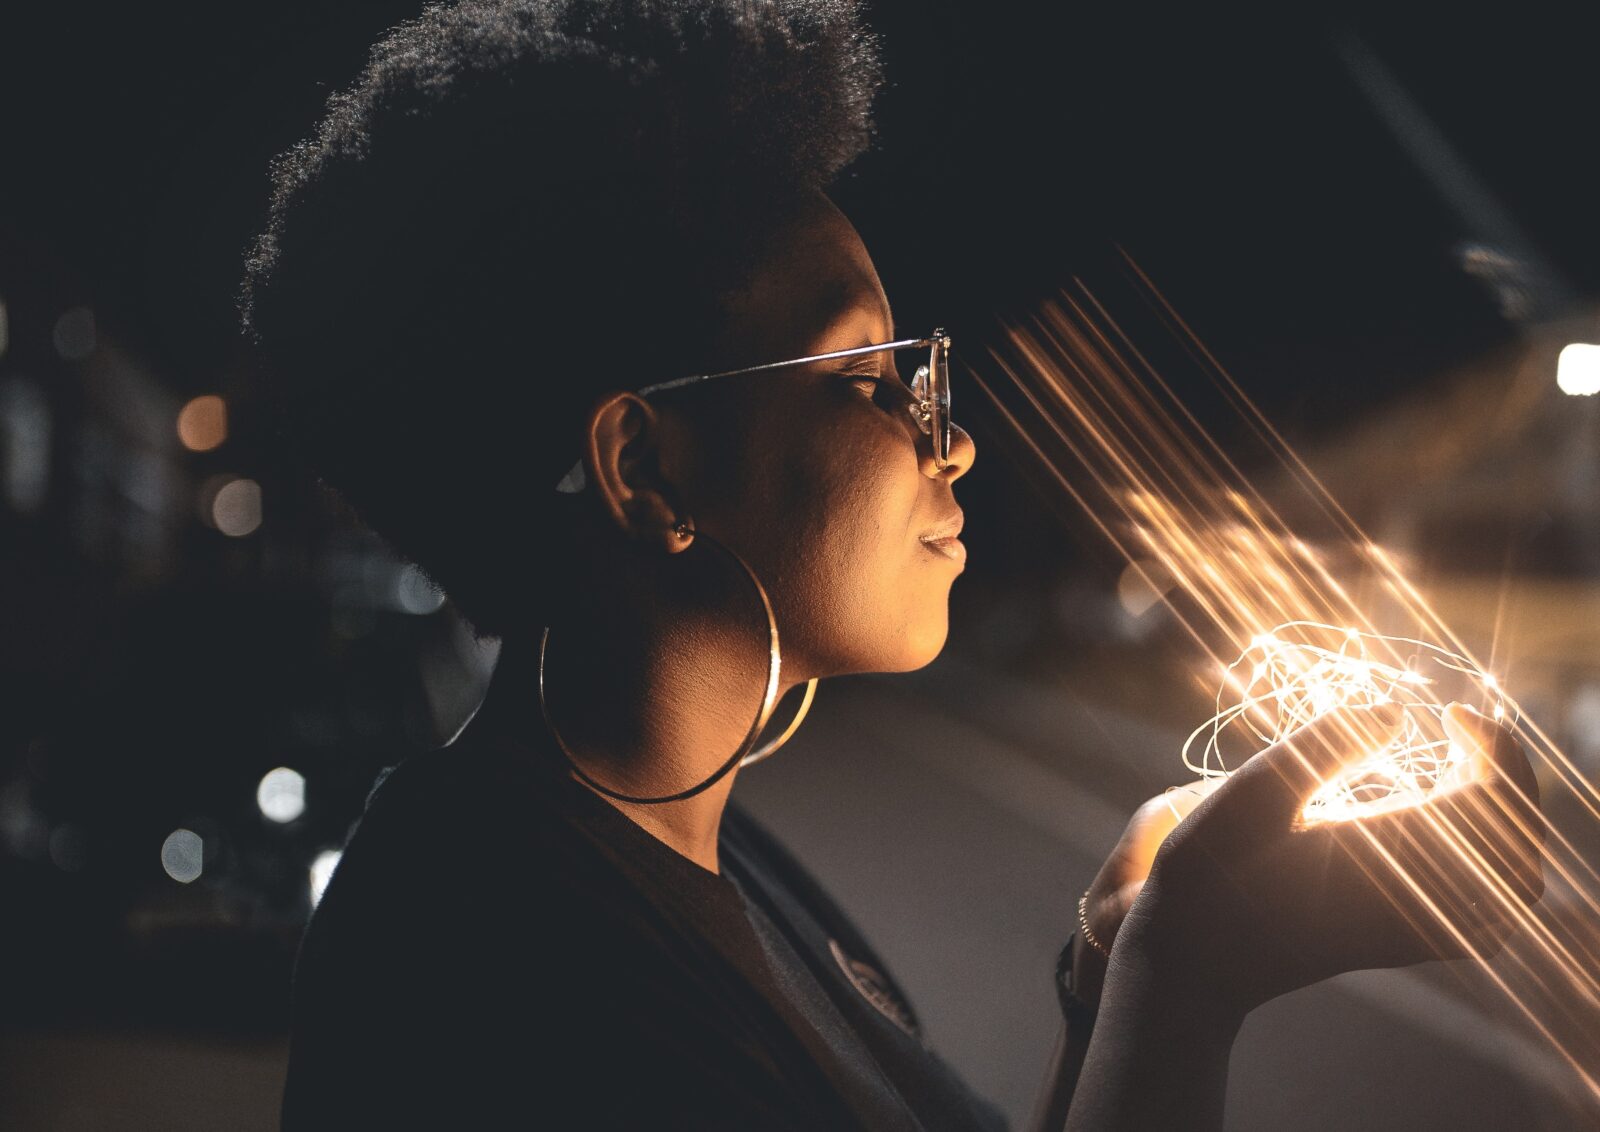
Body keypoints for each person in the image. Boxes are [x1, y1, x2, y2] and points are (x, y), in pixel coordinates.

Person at [239, 1, 1546, 1128]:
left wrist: (1105, 983)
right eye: (870, 380)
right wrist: (1187, 978)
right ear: (647, 468)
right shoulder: (485, 979)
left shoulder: (694, 850)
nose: (954, 442)